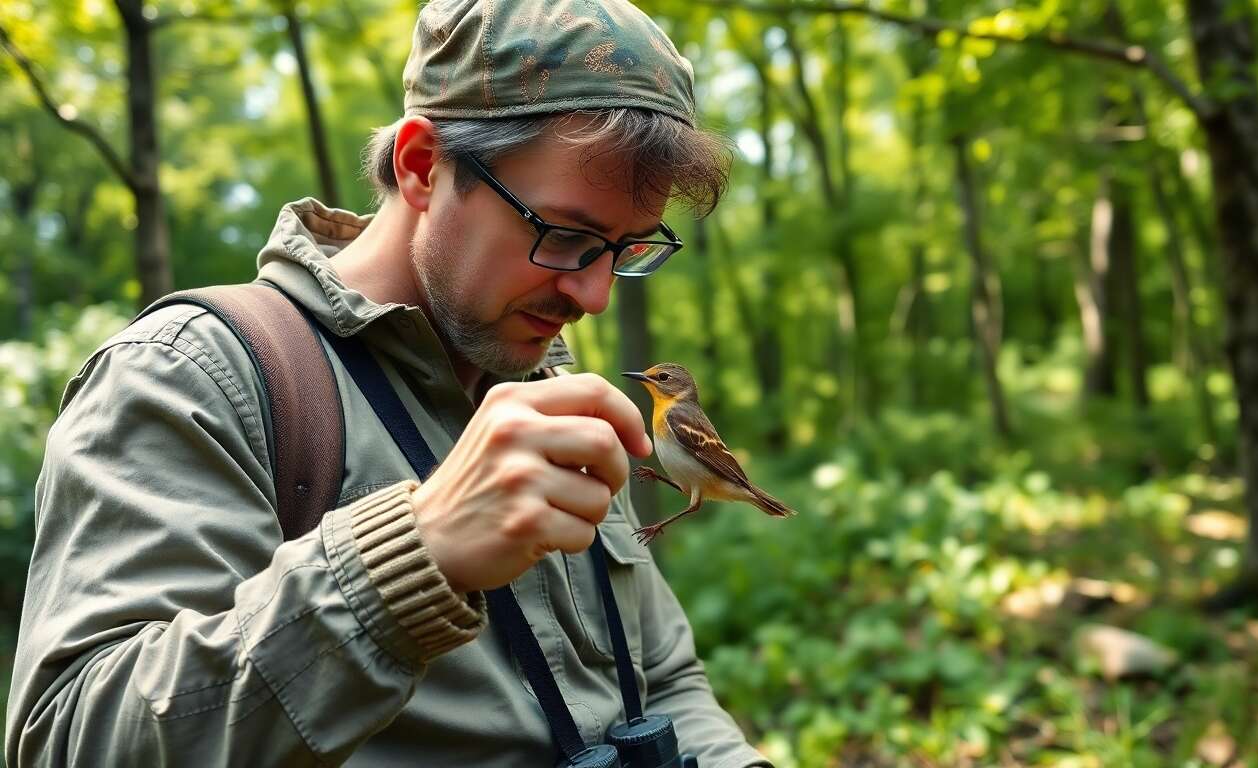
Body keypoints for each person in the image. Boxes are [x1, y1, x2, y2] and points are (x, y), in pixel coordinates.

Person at [4, 2, 773, 766]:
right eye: (564, 235)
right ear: (420, 166)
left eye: (626, 247)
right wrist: (413, 557)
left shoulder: (553, 391)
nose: (596, 295)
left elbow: (662, 683)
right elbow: (71, 740)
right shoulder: (196, 377)